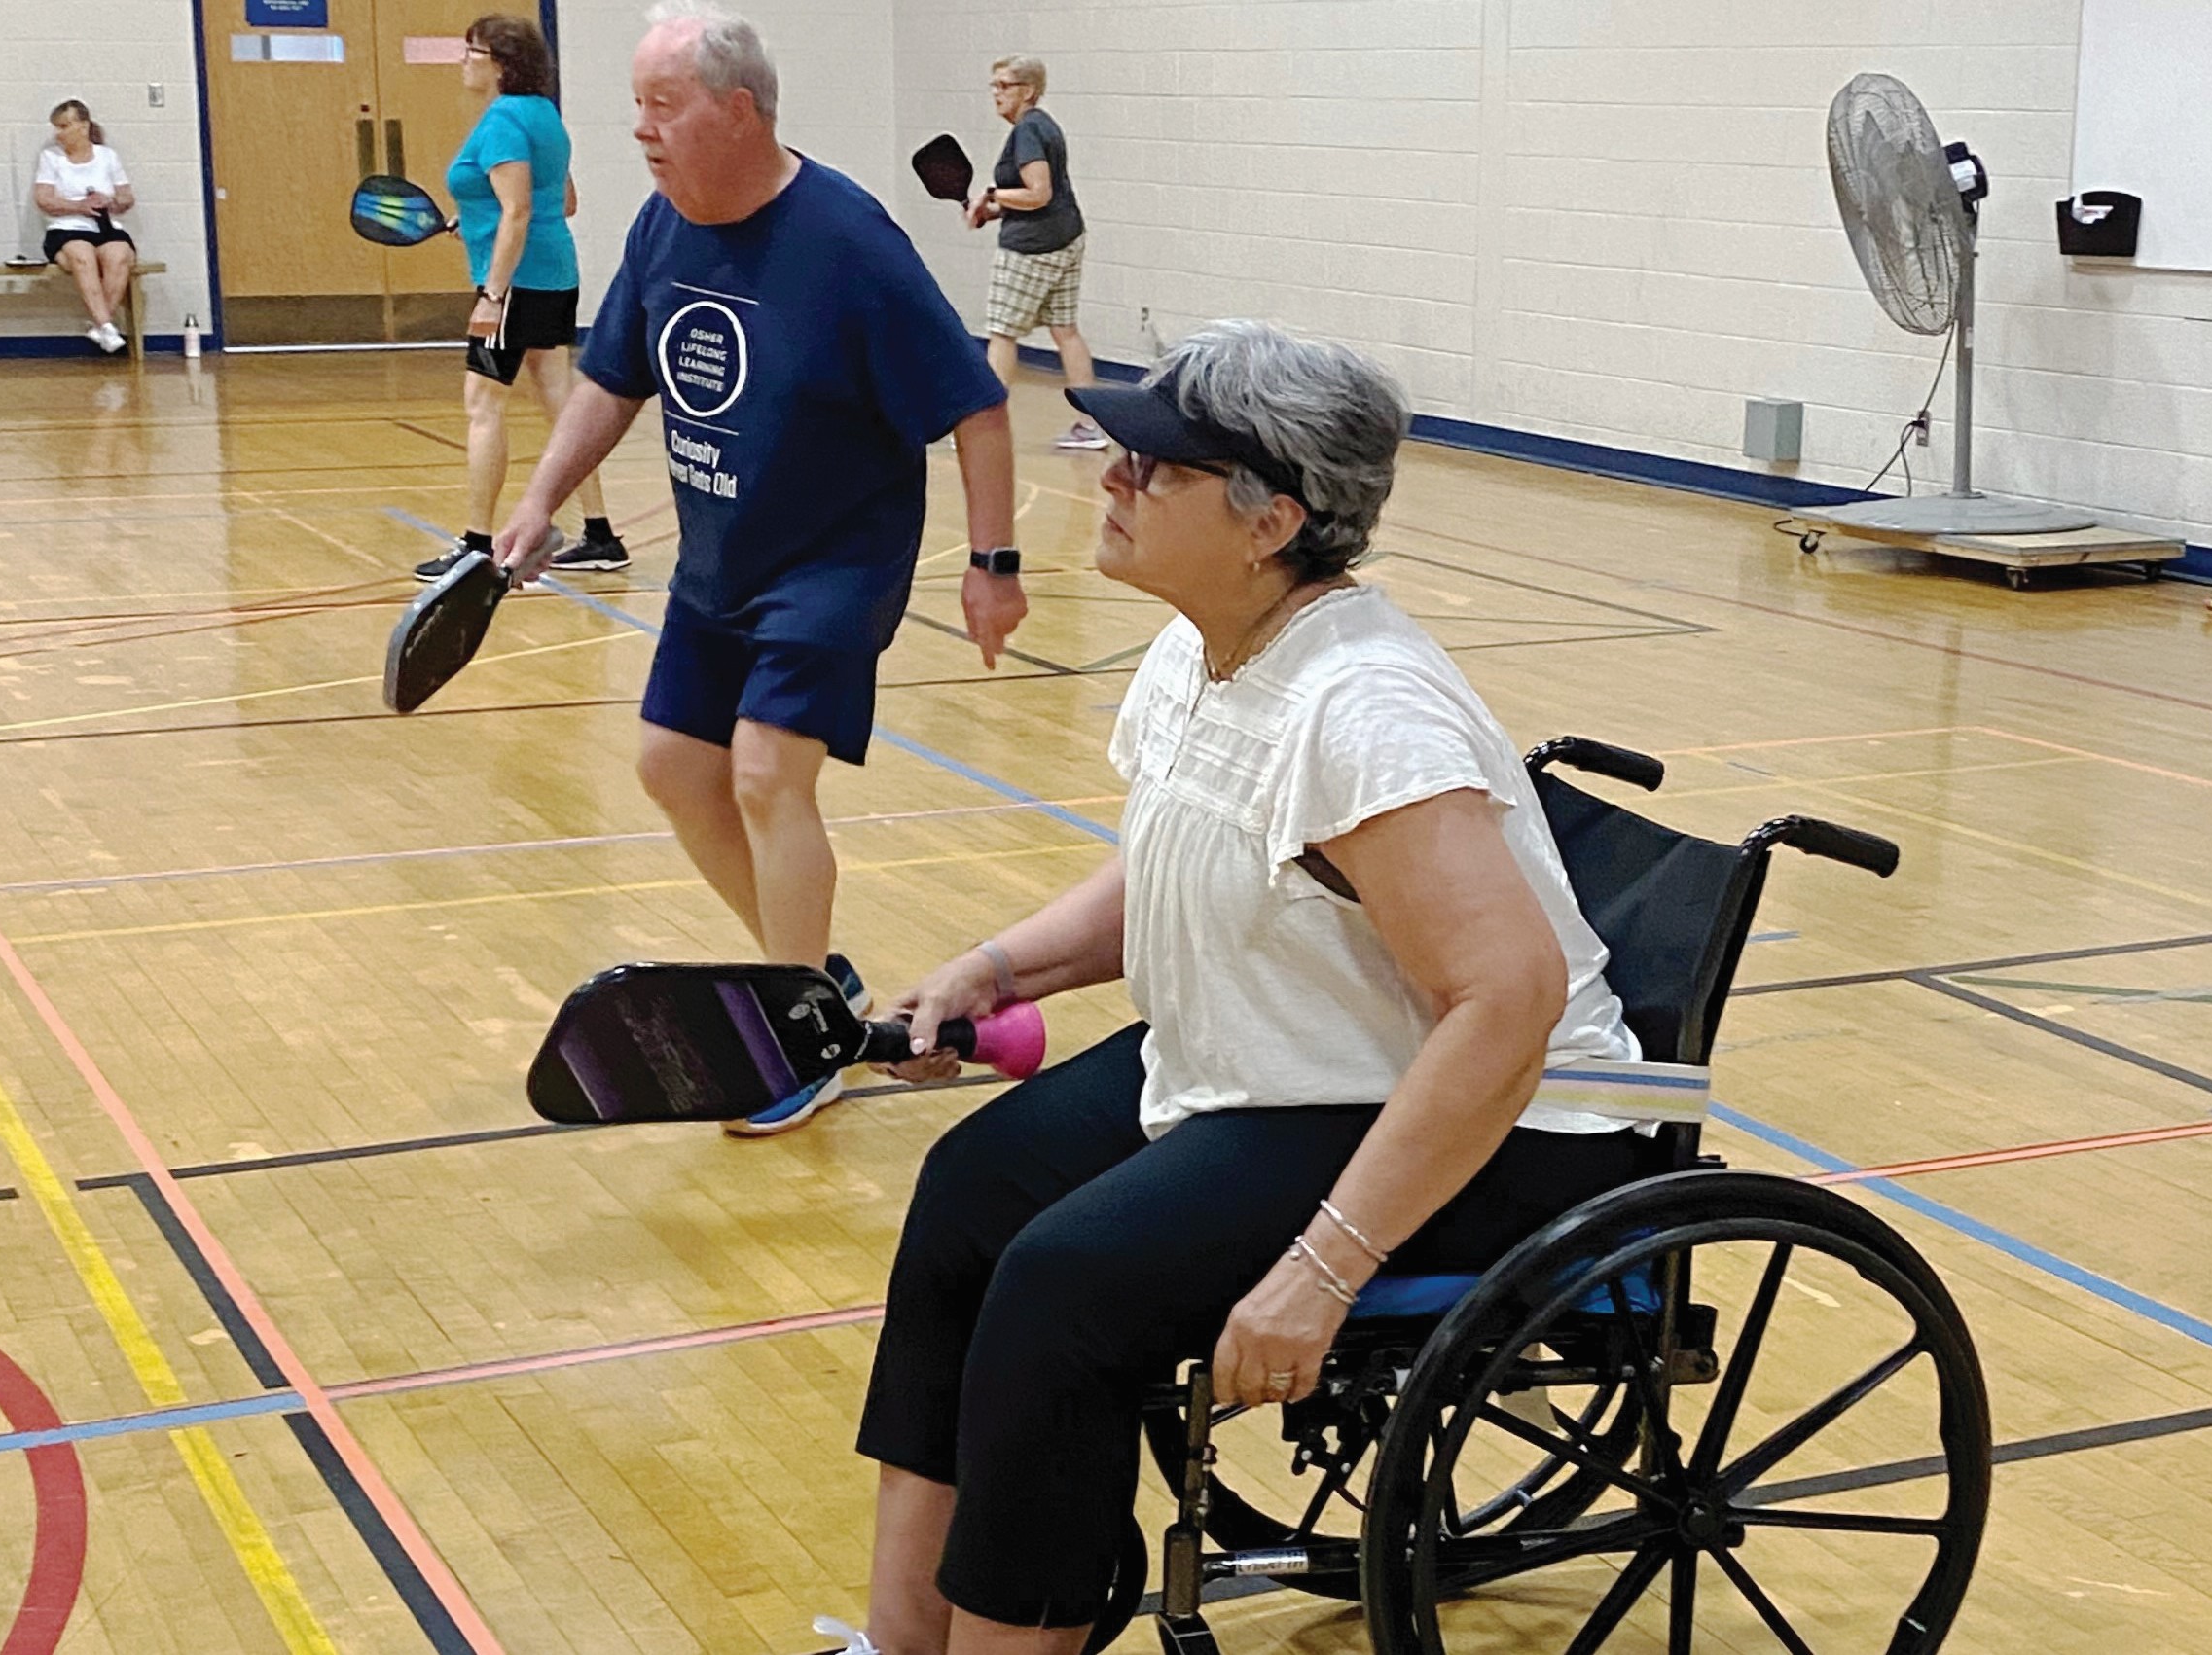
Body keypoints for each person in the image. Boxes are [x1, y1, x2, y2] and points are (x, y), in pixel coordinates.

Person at [840, 319, 1649, 1655]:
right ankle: (899, 1639)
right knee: (968, 1196)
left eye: (1152, 465)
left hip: (1480, 1118)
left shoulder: (1363, 706)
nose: (1110, 474)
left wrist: (1324, 1269)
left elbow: (1507, 1000)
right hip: (1281, 1056)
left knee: (1065, 1288)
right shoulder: (1201, 644)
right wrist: (988, 973)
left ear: (1268, 520)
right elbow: (1178, 862)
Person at [492, 0, 1028, 1135]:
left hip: (835, 561)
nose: (640, 127)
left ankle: (797, 1050)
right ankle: (815, 987)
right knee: (670, 769)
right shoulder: (661, 222)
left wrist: (993, 563)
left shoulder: (847, 241)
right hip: (720, 555)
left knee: (765, 774)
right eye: (636, 102)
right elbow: (613, 378)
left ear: (738, 110)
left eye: (662, 103)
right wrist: (539, 498)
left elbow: (978, 407)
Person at [417, 14, 625, 583]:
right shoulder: (544, 117)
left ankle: (477, 544)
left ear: (501, 64)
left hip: (515, 286)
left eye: (472, 51)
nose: (463, 60)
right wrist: (475, 216)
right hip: (555, 276)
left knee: (482, 405)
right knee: (562, 406)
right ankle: (602, 535)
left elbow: (520, 211)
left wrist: (491, 295)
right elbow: (564, 201)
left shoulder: (505, 119)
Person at [967, 54, 1106, 450]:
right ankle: (1090, 425)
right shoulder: (1043, 125)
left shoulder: (1027, 131)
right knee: (1066, 331)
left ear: (1028, 91)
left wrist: (991, 193)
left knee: (1002, 333)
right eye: (993, 85)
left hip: (1033, 248)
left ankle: (984, 431)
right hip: (1067, 237)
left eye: (1004, 85)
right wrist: (993, 211)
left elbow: (1038, 192)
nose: (995, 93)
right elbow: (1039, 196)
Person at [32, 100, 138, 355]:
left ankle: (102, 325)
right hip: (67, 227)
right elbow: (44, 199)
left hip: (104, 225)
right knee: (82, 255)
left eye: (65, 126)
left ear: (83, 126)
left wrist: (110, 201)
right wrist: (78, 206)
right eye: (56, 127)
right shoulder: (51, 158)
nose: (59, 133)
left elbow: (127, 197)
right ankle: (106, 325)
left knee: (119, 255)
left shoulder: (107, 156)